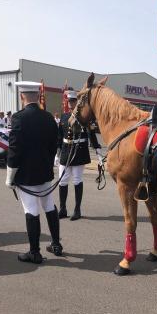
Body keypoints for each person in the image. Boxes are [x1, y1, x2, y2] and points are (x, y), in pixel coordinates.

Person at [6, 81, 62, 264]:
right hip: (45, 172)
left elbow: (14, 150)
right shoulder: (48, 117)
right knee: (49, 206)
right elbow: (54, 145)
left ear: (22, 96)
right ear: (38, 96)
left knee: (31, 210)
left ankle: (34, 252)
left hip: (26, 175)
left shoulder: (18, 118)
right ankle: (55, 244)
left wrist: (9, 178)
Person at [56, 89, 103, 220]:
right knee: (62, 180)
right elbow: (59, 136)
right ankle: (63, 208)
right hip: (66, 151)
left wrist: (98, 151)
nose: (70, 103)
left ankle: (77, 210)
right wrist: (57, 153)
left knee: (77, 180)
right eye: (69, 101)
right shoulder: (64, 116)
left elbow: (91, 134)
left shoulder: (84, 117)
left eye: (73, 101)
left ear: (77, 102)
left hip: (79, 151)